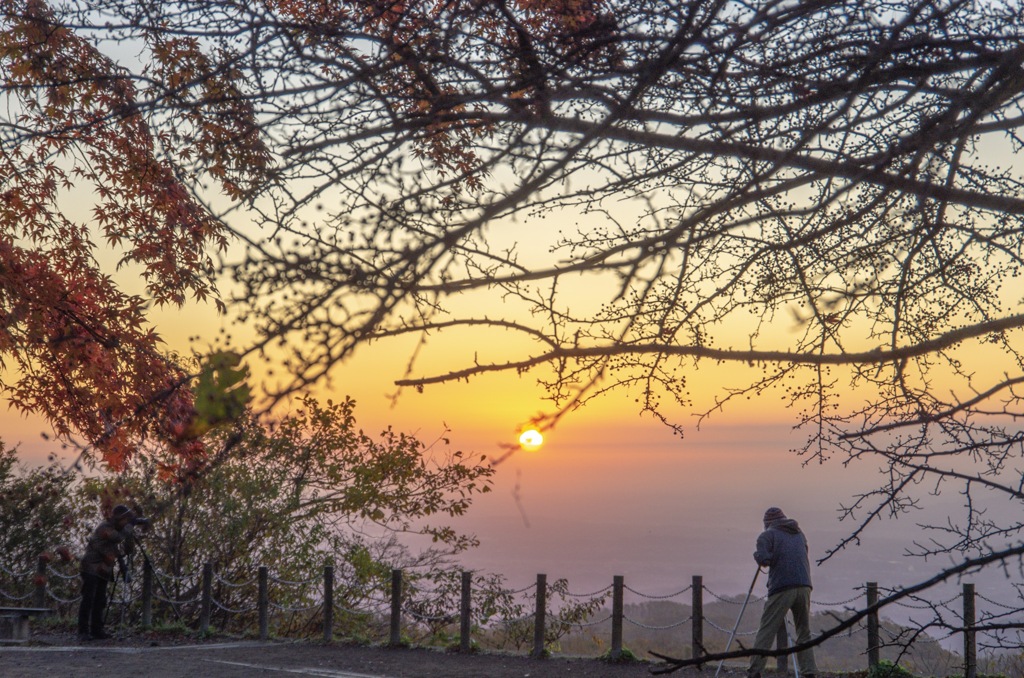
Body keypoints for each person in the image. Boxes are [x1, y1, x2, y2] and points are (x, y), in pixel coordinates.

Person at [747, 507, 817, 678]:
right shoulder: (799, 533)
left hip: (782, 587)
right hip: (804, 585)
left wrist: (758, 554)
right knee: (803, 631)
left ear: (767, 523)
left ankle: (755, 671)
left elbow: (764, 560)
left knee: (767, 629)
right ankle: (809, 672)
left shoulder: (767, 535)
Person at [77, 504, 144, 642]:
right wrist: (129, 527)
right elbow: (117, 538)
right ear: (119, 518)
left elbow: (124, 550)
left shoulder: (117, 530)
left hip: (103, 570)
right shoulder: (105, 528)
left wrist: (130, 534)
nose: (126, 523)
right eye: (125, 520)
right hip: (91, 567)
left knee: (100, 601)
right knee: (88, 599)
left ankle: (97, 630)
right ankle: (82, 631)